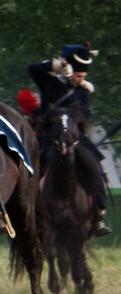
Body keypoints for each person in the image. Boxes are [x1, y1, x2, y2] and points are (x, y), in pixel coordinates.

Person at [28, 44, 110, 236]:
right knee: (29, 168)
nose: (81, 80)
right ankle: (26, 209)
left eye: (83, 77)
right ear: (69, 71)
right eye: (78, 76)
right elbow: (32, 69)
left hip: (76, 138)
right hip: (50, 137)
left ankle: (98, 214)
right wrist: (54, 65)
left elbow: (86, 116)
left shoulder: (82, 90)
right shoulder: (50, 83)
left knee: (96, 167)